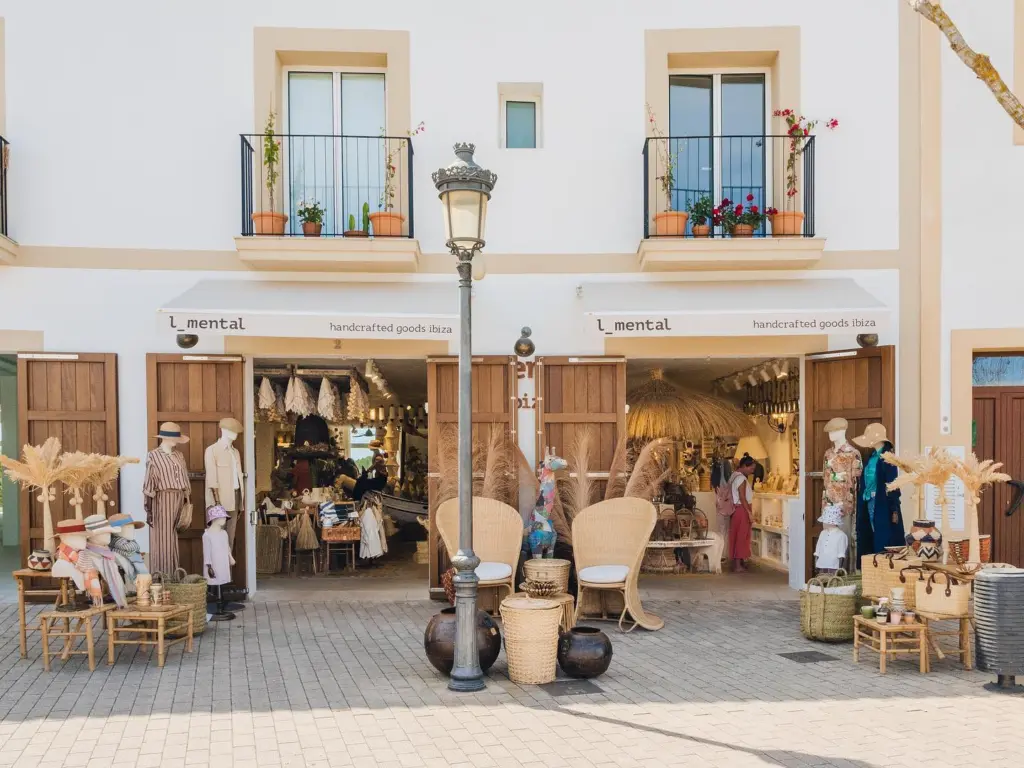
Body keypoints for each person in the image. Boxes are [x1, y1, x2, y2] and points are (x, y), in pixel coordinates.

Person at [728, 455, 757, 573]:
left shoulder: (734, 475)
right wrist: (749, 513)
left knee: (737, 535)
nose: (752, 472)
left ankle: (739, 562)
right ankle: (737, 565)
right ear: (745, 466)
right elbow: (742, 497)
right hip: (742, 509)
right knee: (742, 536)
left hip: (737, 509)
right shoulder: (741, 479)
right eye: (751, 469)